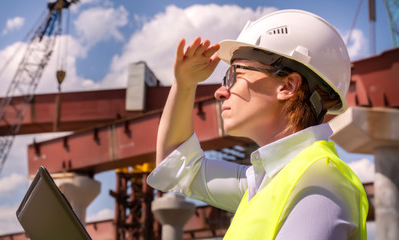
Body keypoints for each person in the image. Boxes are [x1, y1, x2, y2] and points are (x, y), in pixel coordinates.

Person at [147, 9, 368, 240]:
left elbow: (179, 167)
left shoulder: (320, 181)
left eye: (234, 75)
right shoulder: (264, 182)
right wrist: (184, 84)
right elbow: (177, 166)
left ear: (287, 86)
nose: (220, 92)